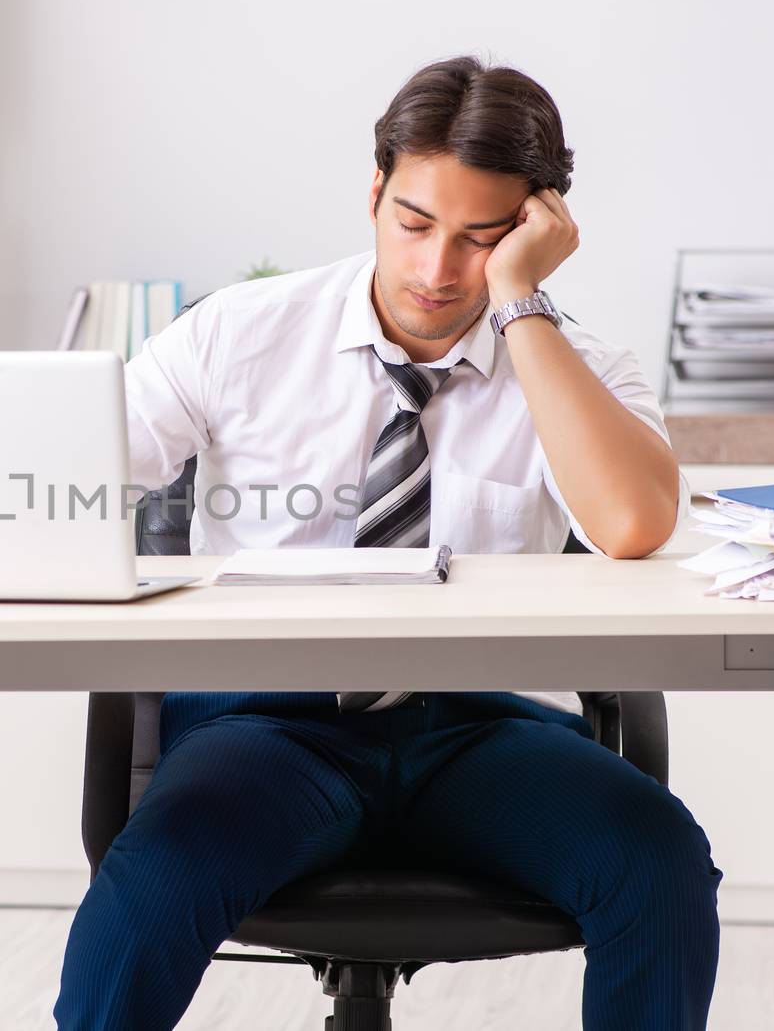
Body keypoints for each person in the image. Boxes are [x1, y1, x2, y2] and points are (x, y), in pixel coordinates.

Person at [53, 55, 721, 1030]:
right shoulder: (239, 336)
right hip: (263, 726)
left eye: (480, 239)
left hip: (472, 731)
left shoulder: (573, 368)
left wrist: (519, 305)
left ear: (533, 231)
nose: (436, 270)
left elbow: (629, 524)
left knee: (656, 865)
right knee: (152, 883)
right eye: (413, 224)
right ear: (373, 192)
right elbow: (62, 480)